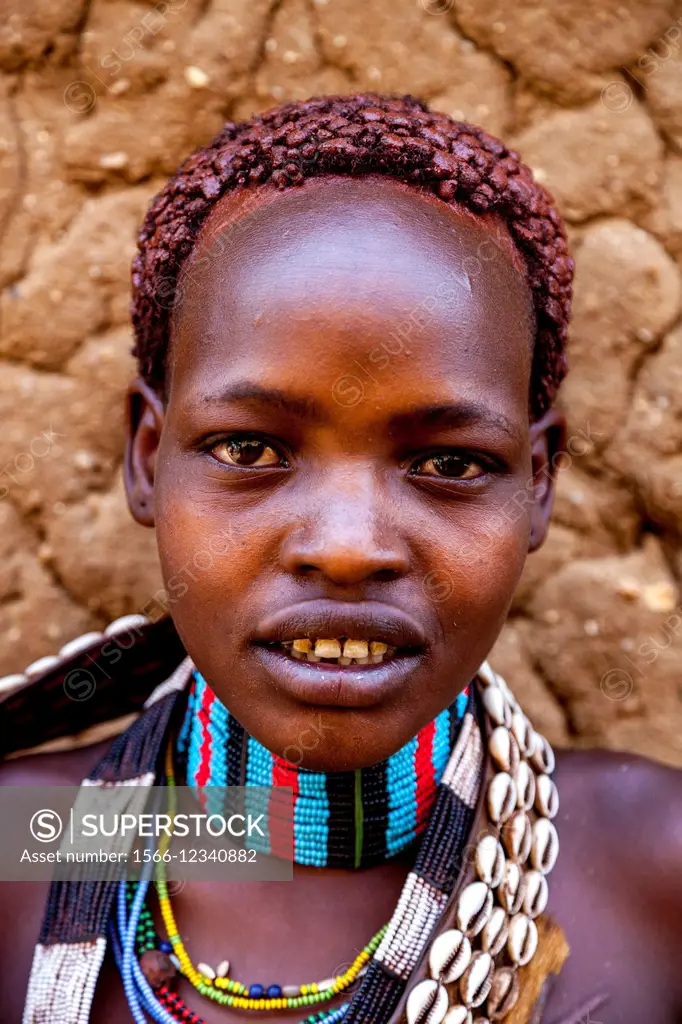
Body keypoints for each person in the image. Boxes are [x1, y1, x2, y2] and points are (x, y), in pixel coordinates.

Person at [0, 91, 681, 1024]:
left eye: (449, 464)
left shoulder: (652, 872)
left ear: (539, 482)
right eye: (251, 450)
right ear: (147, 457)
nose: (349, 549)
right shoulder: (29, 843)